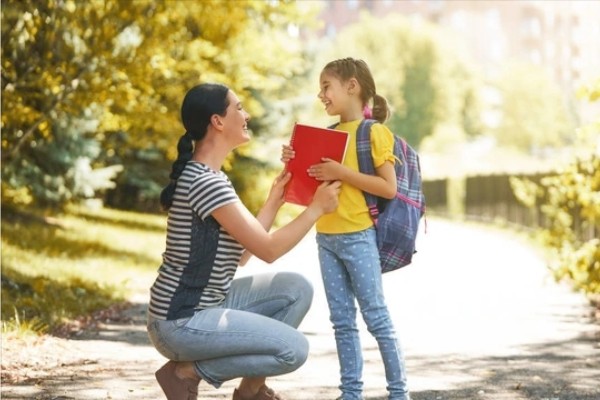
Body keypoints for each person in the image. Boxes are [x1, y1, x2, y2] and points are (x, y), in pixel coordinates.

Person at [147, 82, 341, 400]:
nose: (246, 114)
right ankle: (184, 373)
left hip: (202, 307)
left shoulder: (211, 178)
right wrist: (317, 209)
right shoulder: (205, 182)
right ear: (217, 121)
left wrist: (274, 201)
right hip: (180, 321)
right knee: (293, 349)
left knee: (296, 290)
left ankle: (250, 391)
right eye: (238, 107)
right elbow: (268, 250)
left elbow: (243, 255)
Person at [282, 57, 410, 400]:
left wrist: (341, 172)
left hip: (358, 236)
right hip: (326, 238)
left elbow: (388, 188)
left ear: (351, 86)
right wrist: (293, 163)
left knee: (376, 317)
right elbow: (306, 190)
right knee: (341, 320)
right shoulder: (327, 136)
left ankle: (399, 393)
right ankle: (351, 392)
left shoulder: (374, 132)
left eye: (326, 86)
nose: (321, 95)